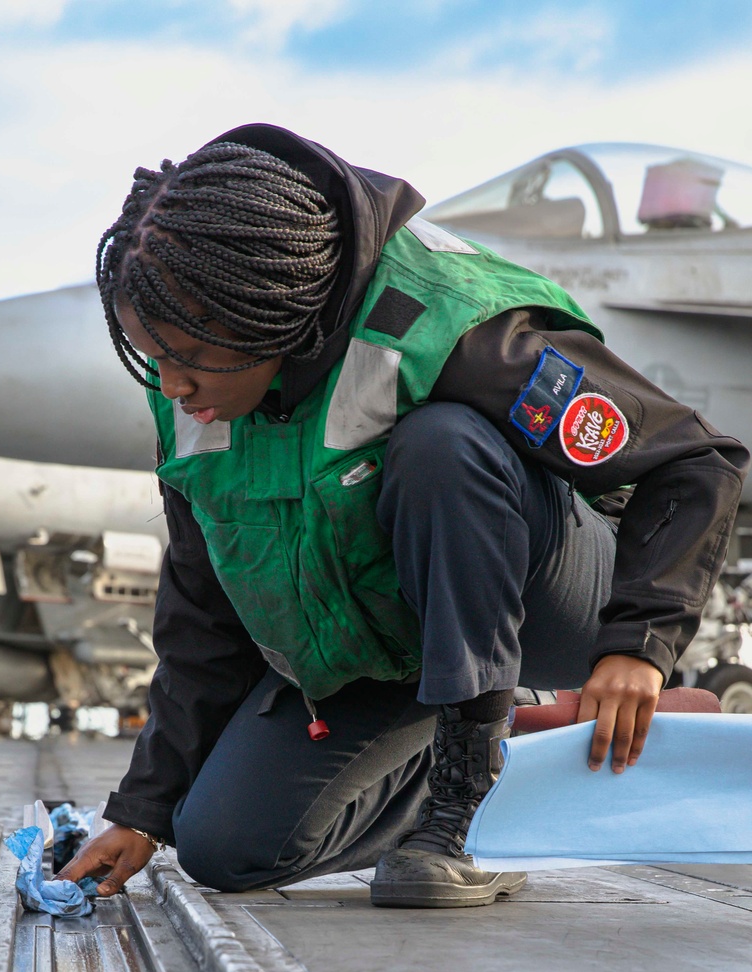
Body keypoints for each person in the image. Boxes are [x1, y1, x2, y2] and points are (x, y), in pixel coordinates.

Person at [60, 123, 749, 909]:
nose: (172, 385)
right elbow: (199, 614)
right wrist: (142, 811)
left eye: (190, 359)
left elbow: (695, 461)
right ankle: (501, 736)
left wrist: (641, 645)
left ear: (266, 316)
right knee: (224, 848)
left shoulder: (450, 323)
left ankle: (473, 807)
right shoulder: (192, 401)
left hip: (555, 596)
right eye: (158, 360)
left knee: (441, 446)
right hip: (393, 646)